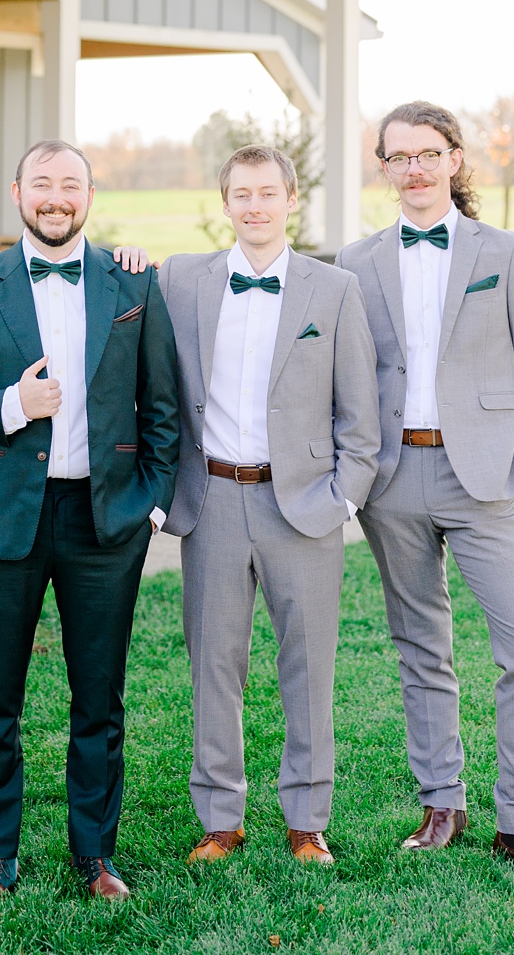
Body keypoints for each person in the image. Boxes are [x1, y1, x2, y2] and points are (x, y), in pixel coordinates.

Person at [0, 139, 181, 903]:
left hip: (107, 522)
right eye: (42, 185)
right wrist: (10, 405)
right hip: (2, 521)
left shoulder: (133, 282)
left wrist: (152, 502)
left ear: (90, 196)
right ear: (16, 192)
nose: (55, 198)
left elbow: (162, 405)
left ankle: (95, 856)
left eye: (70, 185)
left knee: (99, 696)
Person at [338, 102, 514, 875]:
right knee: (421, 646)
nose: (413, 168)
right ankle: (442, 801)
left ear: (454, 159)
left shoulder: (504, 252)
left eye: (427, 153)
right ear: (383, 167)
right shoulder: (354, 261)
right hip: (392, 478)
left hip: (484, 478)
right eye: (398, 156)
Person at [158, 146, 380, 867]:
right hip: (213, 499)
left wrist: (342, 497)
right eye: (240, 195)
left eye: (267, 194)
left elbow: (360, 415)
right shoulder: (182, 278)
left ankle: (306, 819)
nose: (254, 207)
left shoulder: (334, 289)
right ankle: (221, 818)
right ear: (225, 203)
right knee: (214, 665)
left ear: (291, 199)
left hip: (305, 505)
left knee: (308, 665)